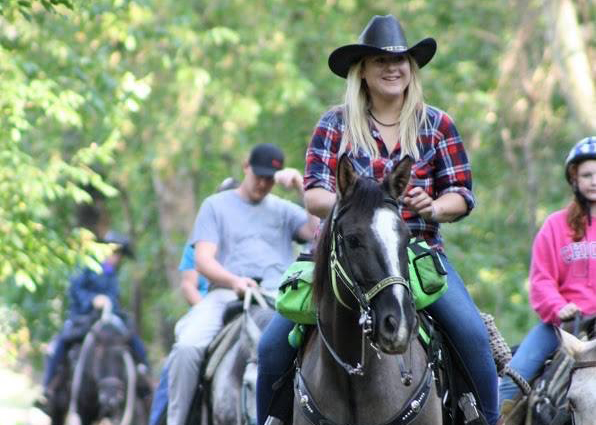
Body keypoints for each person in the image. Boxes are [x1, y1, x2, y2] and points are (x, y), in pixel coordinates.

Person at [256, 14, 499, 425]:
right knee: (270, 348)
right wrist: (358, 213)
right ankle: (272, 419)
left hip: (416, 254)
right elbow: (314, 194)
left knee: (474, 339)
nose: (393, 68)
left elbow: (461, 193)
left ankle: (485, 418)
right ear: (362, 71)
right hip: (337, 253)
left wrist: (433, 207)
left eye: (402, 60)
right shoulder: (335, 123)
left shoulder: (437, 125)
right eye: (380, 61)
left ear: (412, 69)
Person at [165, 143, 319, 425]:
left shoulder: (284, 210)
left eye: (269, 178)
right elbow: (203, 259)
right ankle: (177, 419)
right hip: (226, 294)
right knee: (187, 347)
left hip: (278, 296)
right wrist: (234, 281)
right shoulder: (215, 206)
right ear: (246, 166)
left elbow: (316, 231)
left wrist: (300, 186)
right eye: (258, 175)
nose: (263, 183)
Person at [498, 136, 596, 415]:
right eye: (587, 175)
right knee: (510, 381)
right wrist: (559, 308)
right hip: (563, 327)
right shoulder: (555, 225)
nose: (594, 180)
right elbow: (541, 280)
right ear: (574, 179)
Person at [148, 176, 239, 425]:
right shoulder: (199, 243)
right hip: (208, 307)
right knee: (181, 358)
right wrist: (208, 312)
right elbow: (188, 285)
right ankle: (163, 418)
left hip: (246, 304)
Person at [38, 231, 150, 408]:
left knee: (135, 341)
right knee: (60, 344)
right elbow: (75, 290)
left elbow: (114, 299)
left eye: (119, 254)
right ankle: (48, 387)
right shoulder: (86, 266)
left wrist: (111, 306)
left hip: (109, 318)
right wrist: (92, 300)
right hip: (83, 317)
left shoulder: (112, 273)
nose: (116, 257)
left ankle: (143, 380)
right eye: (113, 252)